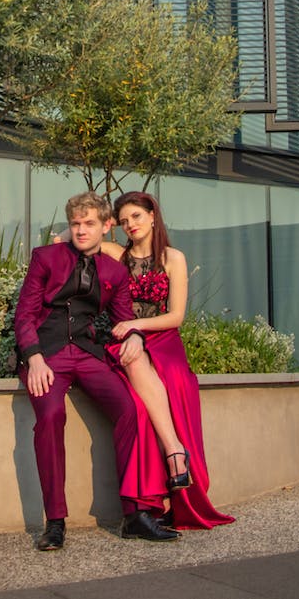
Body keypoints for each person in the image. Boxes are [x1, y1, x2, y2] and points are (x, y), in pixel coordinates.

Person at [14, 191, 182, 550]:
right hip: (48, 355)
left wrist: (134, 335)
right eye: (75, 223)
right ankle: (55, 522)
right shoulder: (45, 257)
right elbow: (25, 314)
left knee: (130, 410)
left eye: (89, 223)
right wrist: (34, 358)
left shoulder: (115, 270)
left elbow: (124, 318)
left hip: (89, 354)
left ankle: (134, 514)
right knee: (50, 416)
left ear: (107, 226)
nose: (81, 230)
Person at [102, 190, 236, 531]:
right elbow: (80, 239)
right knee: (137, 398)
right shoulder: (116, 255)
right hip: (126, 341)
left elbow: (175, 317)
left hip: (163, 339)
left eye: (135, 216)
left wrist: (136, 324)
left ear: (152, 215)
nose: (129, 224)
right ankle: (172, 458)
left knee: (175, 380)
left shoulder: (173, 257)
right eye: (123, 221)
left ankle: (179, 485)